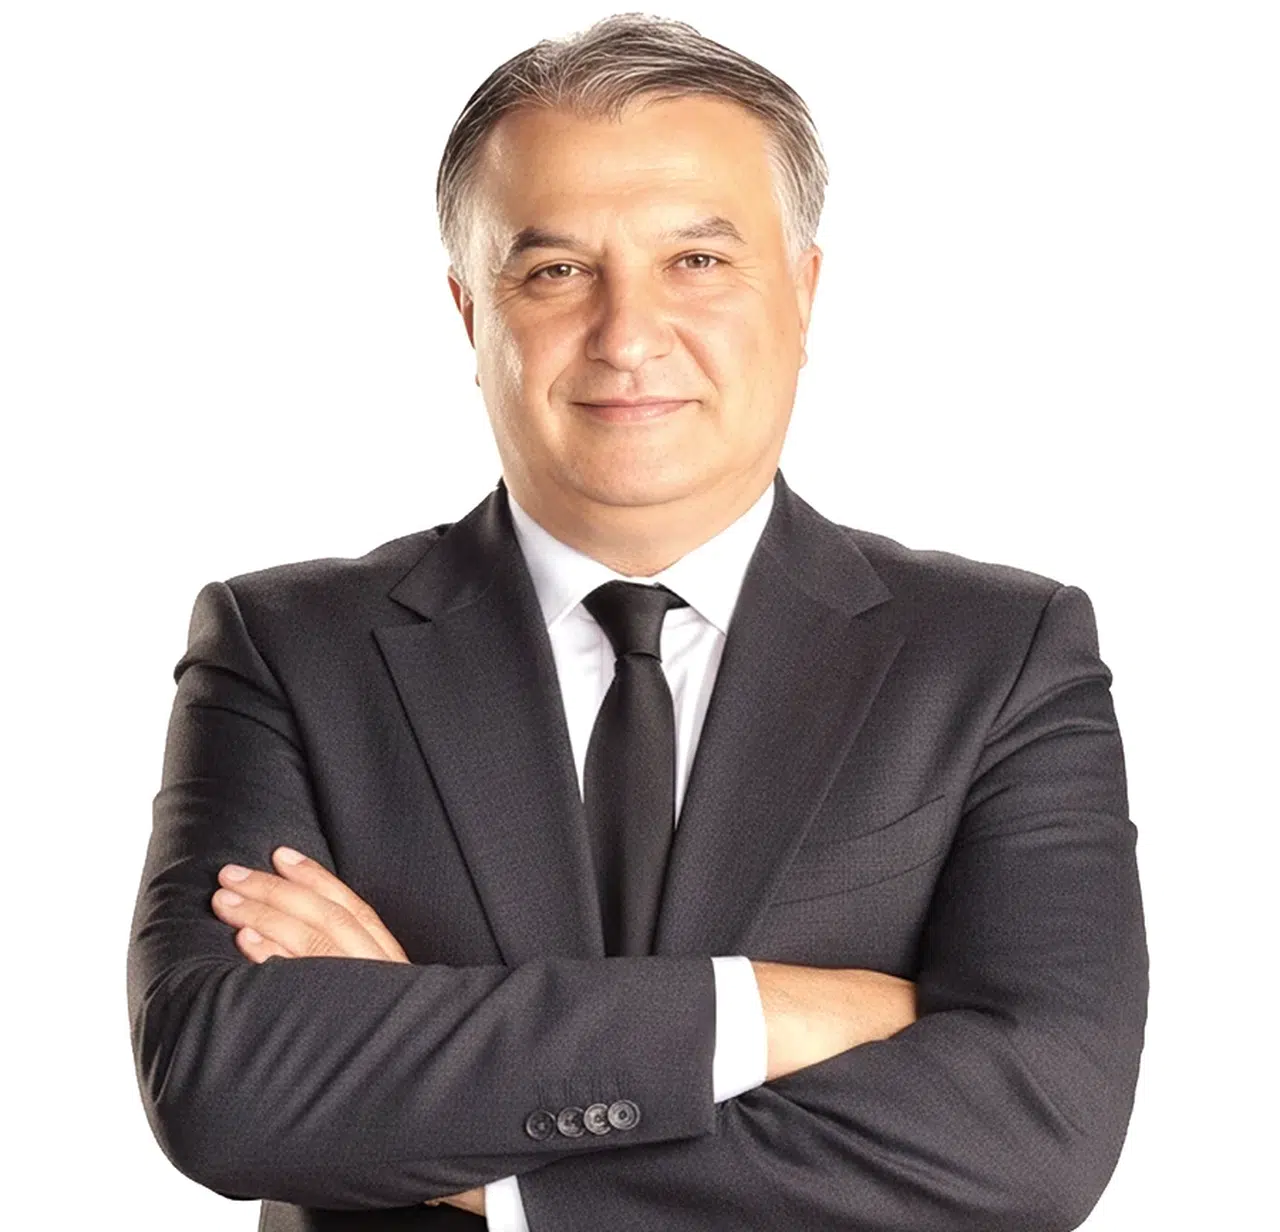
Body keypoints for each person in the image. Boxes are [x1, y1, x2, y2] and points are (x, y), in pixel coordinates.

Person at [127, 13, 1147, 1230]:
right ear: (471, 314)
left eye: (696, 261)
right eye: (556, 271)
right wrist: (766, 1011)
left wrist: (456, 1133)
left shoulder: (997, 656)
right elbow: (226, 1087)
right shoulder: (287, 648)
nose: (626, 335)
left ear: (803, 293)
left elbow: (1034, 1128)